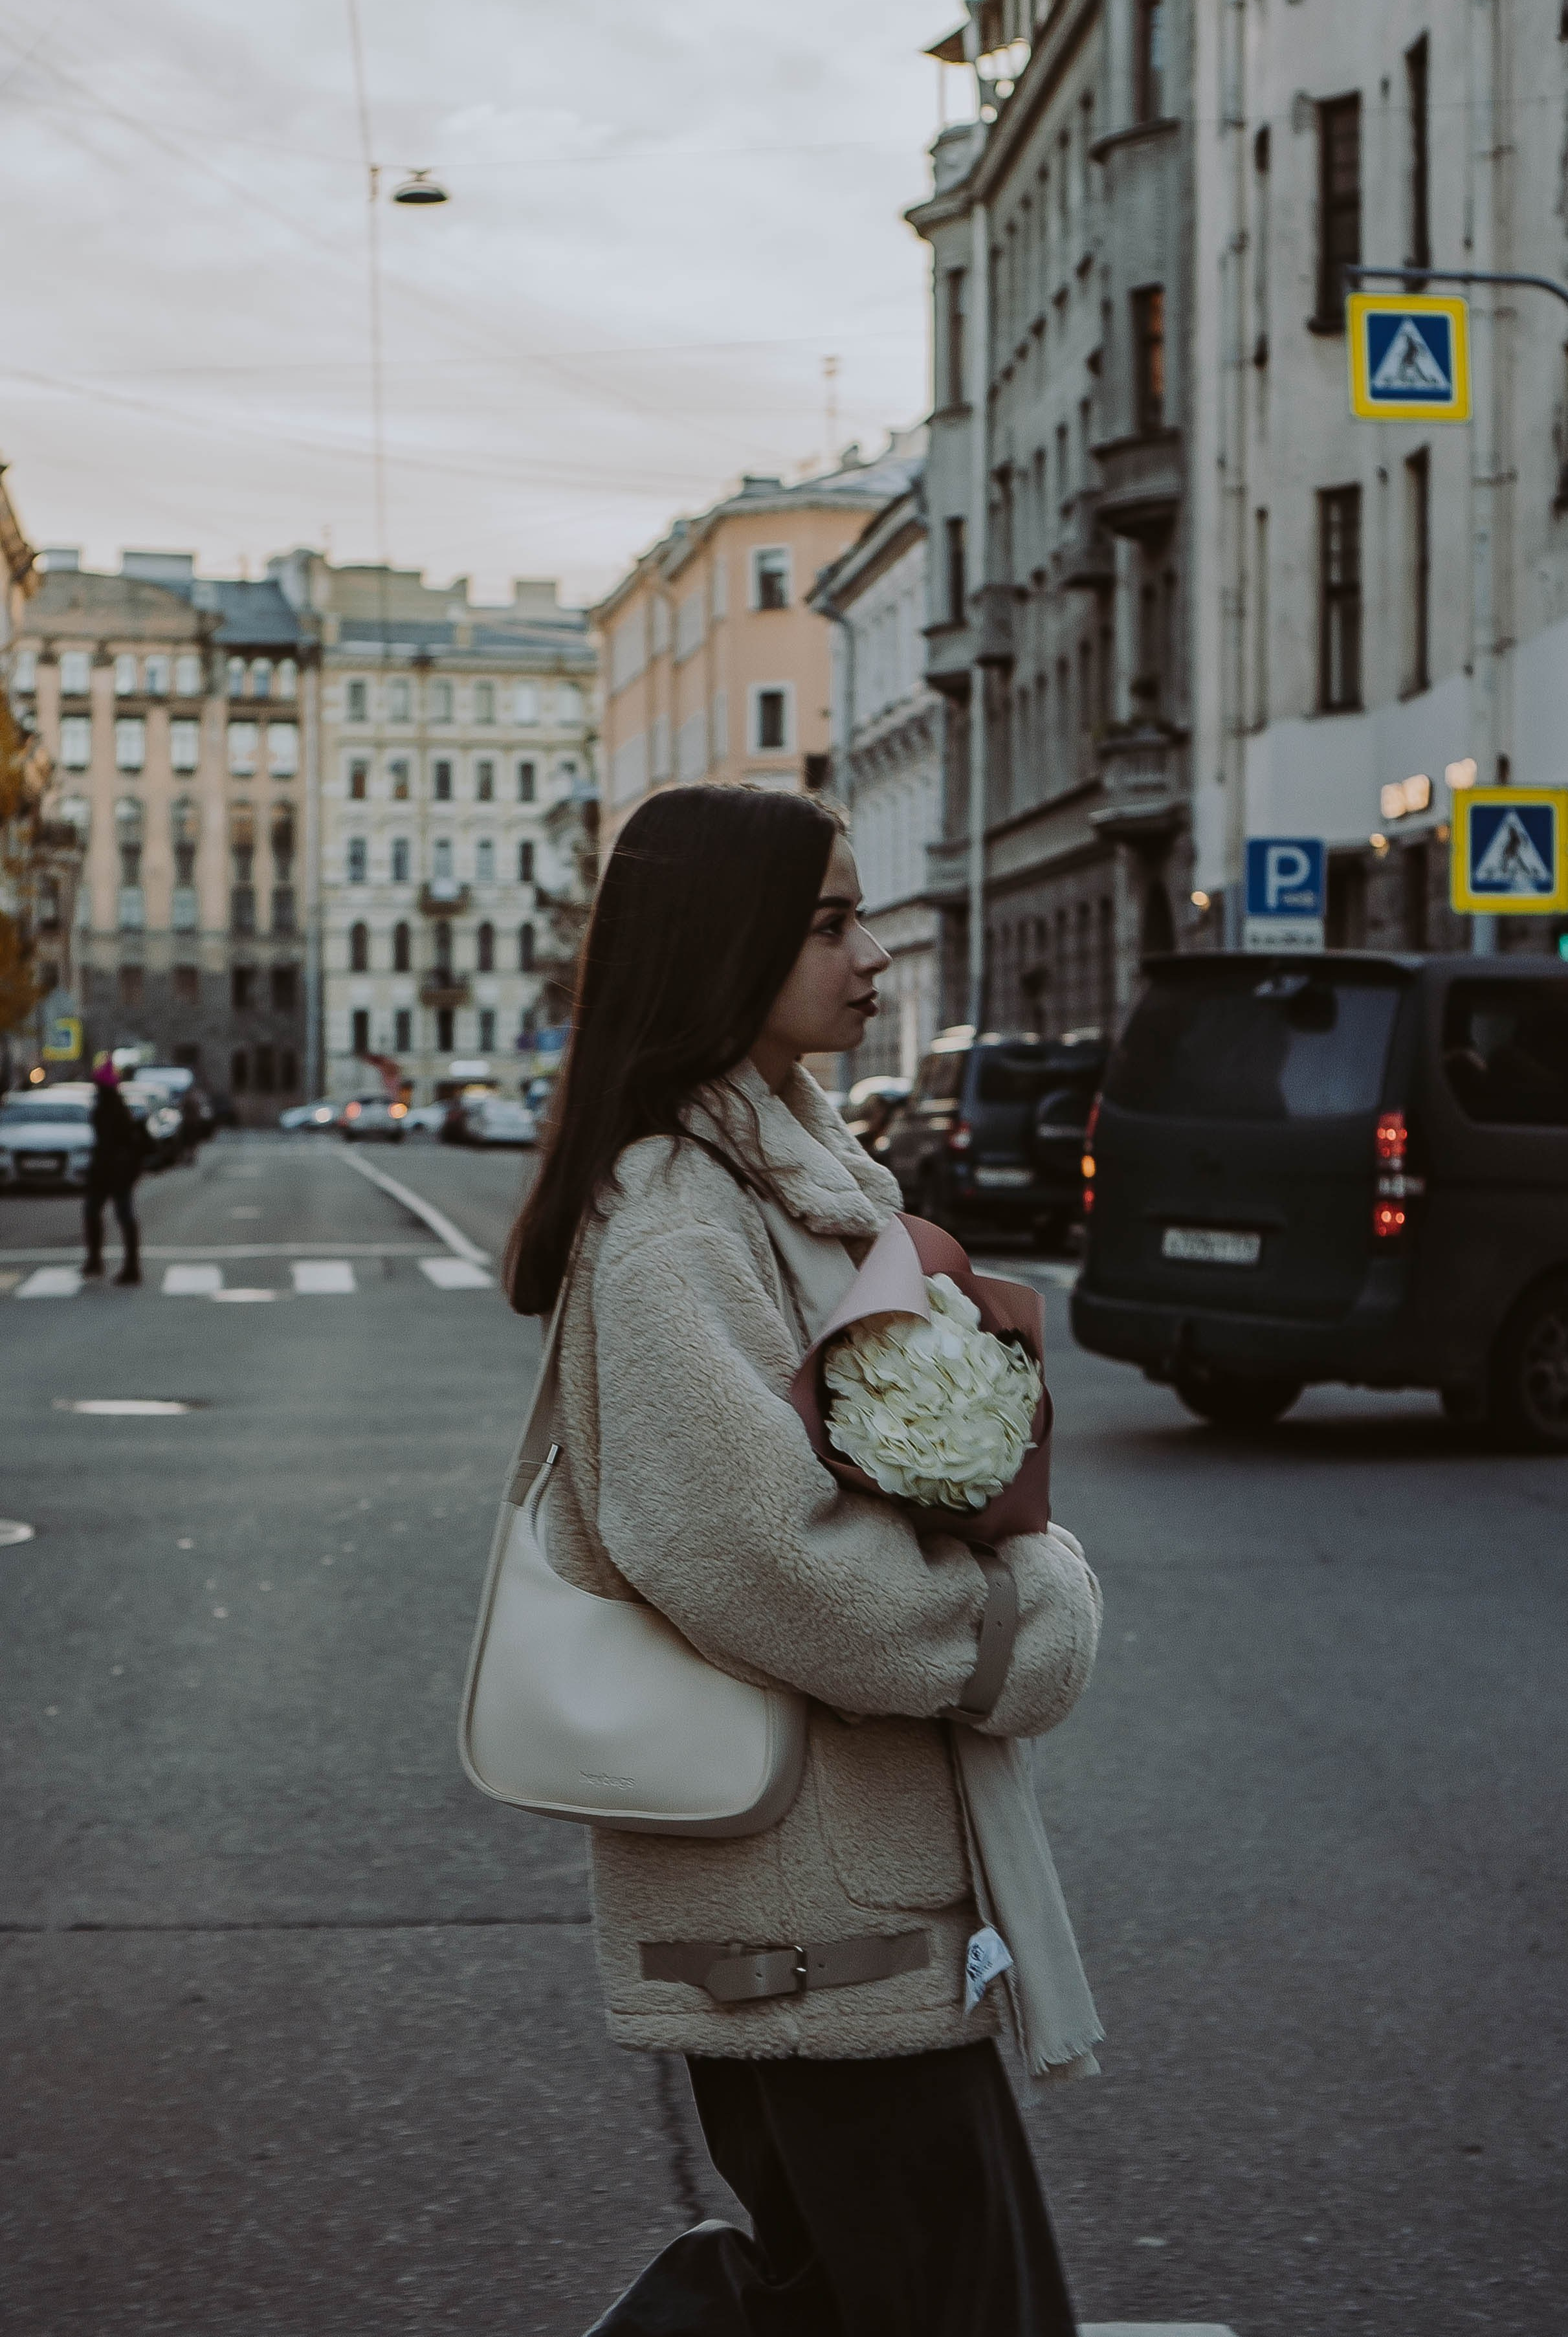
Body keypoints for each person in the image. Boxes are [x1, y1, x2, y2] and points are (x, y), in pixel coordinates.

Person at [504, 786, 1102, 2336]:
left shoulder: (784, 1174)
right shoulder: (677, 1218)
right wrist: (1011, 1619)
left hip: (840, 1891)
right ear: (726, 945)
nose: (873, 953)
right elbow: (753, 1551)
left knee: (847, 2296)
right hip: (805, 1920)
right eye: (830, 922)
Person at [82, 1060, 149, 1285]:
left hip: (111, 1171)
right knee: (115, 1215)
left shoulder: (108, 1108)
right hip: (116, 1172)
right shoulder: (117, 1107)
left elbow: (110, 1142)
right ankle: (121, 1264)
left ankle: (109, 1263)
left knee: (105, 1213)